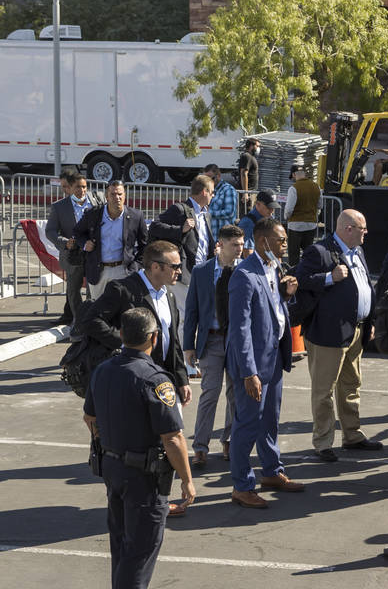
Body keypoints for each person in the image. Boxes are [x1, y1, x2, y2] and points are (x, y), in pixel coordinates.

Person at [83, 307, 195, 589]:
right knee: (140, 551)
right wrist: (187, 480)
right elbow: (173, 438)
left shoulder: (102, 370)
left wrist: (110, 442)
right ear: (154, 338)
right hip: (144, 476)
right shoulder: (155, 379)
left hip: (112, 466)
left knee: (121, 545)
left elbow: (90, 418)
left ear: (121, 334)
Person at [294, 210, 383, 462]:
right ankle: (323, 442)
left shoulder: (358, 251)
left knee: (351, 385)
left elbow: (364, 287)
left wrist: (370, 320)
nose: (366, 233)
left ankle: (352, 435)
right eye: (362, 228)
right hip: (328, 333)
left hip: (356, 330)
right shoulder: (319, 252)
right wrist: (328, 278)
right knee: (324, 390)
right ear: (347, 229)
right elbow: (300, 279)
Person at [226, 217, 302, 508]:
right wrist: (249, 372)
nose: (285, 245)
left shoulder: (273, 267)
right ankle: (242, 485)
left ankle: (272, 471)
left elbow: (273, 310)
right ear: (263, 241)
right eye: (281, 240)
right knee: (247, 425)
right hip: (254, 367)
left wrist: (285, 295)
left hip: (273, 360)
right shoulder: (245, 275)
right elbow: (240, 328)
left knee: (270, 421)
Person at [77, 240, 191, 409]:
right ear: (155, 267)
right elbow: (91, 321)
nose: (179, 271)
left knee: (168, 431)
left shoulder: (169, 296)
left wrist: (182, 379)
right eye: (174, 266)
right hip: (129, 380)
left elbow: (173, 341)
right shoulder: (122, 289)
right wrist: (126, 344)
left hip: (160, 381)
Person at [182, 224, 244, 467]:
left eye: (241, 244)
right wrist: (189, 345)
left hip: (237, 340)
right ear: (221, 244)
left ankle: (229, 440)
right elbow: (192, 310)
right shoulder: (202, 271)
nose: (240, 249)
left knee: (235, 393)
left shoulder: (245, 270)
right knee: (210, 391)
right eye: (235, 245)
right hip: (212, 339)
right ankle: (200, 446)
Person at [149, 174, 216, 310]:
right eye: (212, 192)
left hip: (201, 273)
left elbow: (203, 241)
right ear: (204, 192)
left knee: (197, 314)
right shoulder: (180, 210)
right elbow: (155, 226)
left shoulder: (206, 214)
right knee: (184, 316)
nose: (213, 196)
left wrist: (214, 249)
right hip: (184, 275)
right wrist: (180, 229)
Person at [74, 179, 148, 297]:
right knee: (97, 309)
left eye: (120, 194)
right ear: (107, 197)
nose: (117, 197)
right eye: (113, 194)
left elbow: (145, 245)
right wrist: (84, 243)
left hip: (124, 270)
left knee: (123, 310)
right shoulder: (93, 214)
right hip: (98, 271)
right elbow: (77, 232)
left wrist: (136, 266)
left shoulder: (136, 216)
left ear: (124, 196)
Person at [46, 169, 101, 324]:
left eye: (84, 187)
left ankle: (92, 320)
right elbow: (50, 231)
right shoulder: (59, 207)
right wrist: (64, 242)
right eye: (77, 187)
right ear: (70, 188)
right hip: (73, 255)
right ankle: (78, 321)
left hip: (93, 254)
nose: (81, 191)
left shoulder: (97, 201)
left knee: (93, 289)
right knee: (73, 290)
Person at [284, 164, 320, 266]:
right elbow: (320, 205)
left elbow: (289, 209)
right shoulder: (316, 186)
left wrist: (286, 217)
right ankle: (307, 273)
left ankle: (293, 276)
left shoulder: (294, 188)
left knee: (294, 254)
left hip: (295, 225)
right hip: (311, 224)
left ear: (294, 174)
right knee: (308, 253)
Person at [237, 191, 279, 257]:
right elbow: (248, 253)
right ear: (258, 204)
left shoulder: (270, 217)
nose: (272, 210)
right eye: (268, 207)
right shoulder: (247, 223)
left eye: (273, 207)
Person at [204, 164, 239, 231]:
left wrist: (208, 213)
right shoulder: (206, 190)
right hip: (210, 235)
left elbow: (230, 212)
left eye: (211, 178)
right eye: (205, 179)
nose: (207, 182)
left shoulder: (228, 189)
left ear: (219, 176)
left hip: (224, 236)